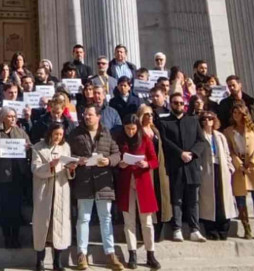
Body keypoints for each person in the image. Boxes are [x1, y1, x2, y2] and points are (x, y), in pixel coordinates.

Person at [69, 105, 123, 271]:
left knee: (105, 218)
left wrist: (109, 161)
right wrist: (79, 160)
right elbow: (69, 153)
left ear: (98, 116)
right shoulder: (76, 133)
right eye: (85, 114)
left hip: (103, 183)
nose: (87, 117)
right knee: (83, 218)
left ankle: (110, 254)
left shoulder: (107, 133)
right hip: (84, 182)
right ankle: (81, 254)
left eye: (90, 115)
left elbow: (117, 154)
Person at [157, 93, 208, 242]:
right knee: (177, 199)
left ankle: (194, 229)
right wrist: (180, 153)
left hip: (192, 166)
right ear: (170, 104)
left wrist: (192, 153)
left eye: (180, 103)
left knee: (193, 200)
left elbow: (201, 141)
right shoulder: (165, 122)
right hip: (176, 166)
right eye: (175, 103)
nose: (178, 106)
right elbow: (165, 142)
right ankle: (177, 228)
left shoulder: (192, 121)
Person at [115, 115, 161, 270]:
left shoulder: (145, 139)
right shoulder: (120, 140)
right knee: (129, 221)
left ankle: (150, 253)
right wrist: (120, 164)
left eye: (133, 129)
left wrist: (146, 163)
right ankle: (132, 253)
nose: (130, 132)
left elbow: (155, 161)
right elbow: (115, 158)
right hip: (126, 182)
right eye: (127, 128)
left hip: (143, 182)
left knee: (146, 222)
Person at [31, 123, 76, 271]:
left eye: (61, 135)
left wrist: (71, 168)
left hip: (61, 188)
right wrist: (51, 165)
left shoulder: (65, 147)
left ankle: (58, 261)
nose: (58, 137)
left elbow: (69, 173)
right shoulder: (38, 147)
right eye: (56, 134)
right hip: (44, 190)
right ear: (50, 133)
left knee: (60, 225)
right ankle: (40, 261)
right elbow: (35, 168)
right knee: (42, 225)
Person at [223, 102, 254, 240]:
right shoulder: (228, 131)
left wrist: (253, 161)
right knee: (240, 198)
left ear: (244, 114)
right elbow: (229, 150)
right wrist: (238, 163)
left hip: (253, 166)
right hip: (239, 167)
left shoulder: (253, 128)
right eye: (234, 113)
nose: (236, 115)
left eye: (238, 113)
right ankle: (246, 228)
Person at [0, 106, 31, 248]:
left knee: (16, 208)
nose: (13, 118)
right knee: (5, 209)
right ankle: (7, 237)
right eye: (9, 116)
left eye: (14, 116)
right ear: (3, 118)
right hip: (3, 176)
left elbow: (31, 149)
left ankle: (16, 237)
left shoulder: (21, 133)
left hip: (19, 176)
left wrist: (28, 148)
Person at [198, 111, 237, 241]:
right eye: (204, 119)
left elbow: (226, 153)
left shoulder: (220, 136)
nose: (207, 121)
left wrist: (230, 167)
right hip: (207, 170)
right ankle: (211, 229)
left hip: (221, 169)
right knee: (209, 200)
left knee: (223, 198)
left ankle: (223, 229)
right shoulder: (200, 136)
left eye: (210, 118)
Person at [137, 105, 172, 242]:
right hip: (145, 170)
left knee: (161, 198)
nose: (150, 117)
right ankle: (146, 233)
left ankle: (159, 231)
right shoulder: (139, 132)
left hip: (159, 170)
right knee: (147, 200)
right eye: (146, 114)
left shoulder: (155, 131)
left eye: (151, 114)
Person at [218, 75, 254, 162]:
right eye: (229, 86)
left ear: (240, 85)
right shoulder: (224, 104)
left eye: (233, 85)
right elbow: (223, 123)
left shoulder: (251, 101)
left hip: (252, 139)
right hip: (236, 141)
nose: (231, 88)